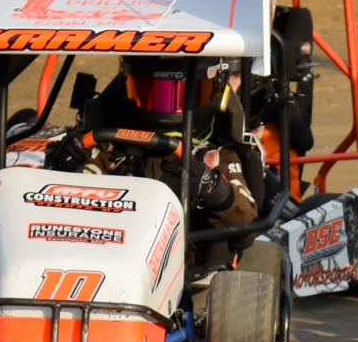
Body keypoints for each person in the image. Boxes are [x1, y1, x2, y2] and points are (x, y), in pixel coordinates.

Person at [45, 56, 262, 277]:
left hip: (180, 271)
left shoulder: (215, 157)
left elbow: (245, 223)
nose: (167, 109)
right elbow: (63, 202)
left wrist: (214, 188)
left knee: (221, 244)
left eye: (179, 97)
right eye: (154, 94)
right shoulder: (109, 145)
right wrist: (64, 164)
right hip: (104, 256)